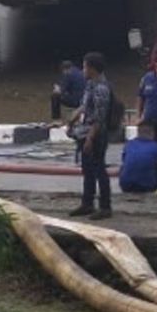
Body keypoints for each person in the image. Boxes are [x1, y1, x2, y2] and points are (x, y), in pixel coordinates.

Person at [67, 52, 113, 220]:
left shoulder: (102, 89)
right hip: (84, 131)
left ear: (92, 68)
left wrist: (90, 138)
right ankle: (87, 203)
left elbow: (100, 118)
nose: (83, 69)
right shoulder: (90, 85)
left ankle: (105, 206)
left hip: (96, 135)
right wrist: (72, 121)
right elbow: (84, 106)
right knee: (87, 170)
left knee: (99, 169)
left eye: (85, 66)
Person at [119, 122, 157, 194]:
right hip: (146, 185)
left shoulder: (129, 145)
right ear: (152, 133)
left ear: (138, 132)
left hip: (125, 185)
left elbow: (124, 160)